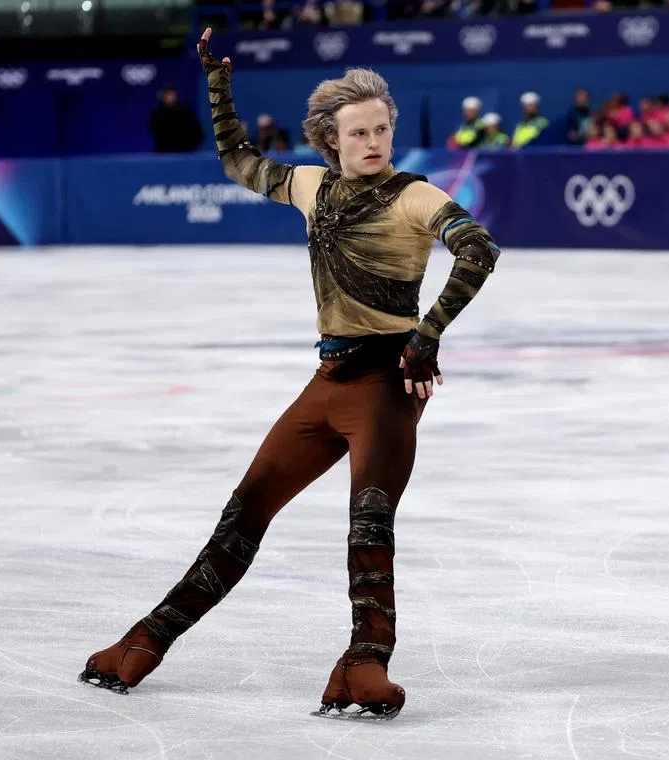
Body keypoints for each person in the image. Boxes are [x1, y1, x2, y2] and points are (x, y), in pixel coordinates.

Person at [78, 27, 501, 722]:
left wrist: (427, 337)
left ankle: (366, 665)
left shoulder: (412, 196)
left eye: (382, 129)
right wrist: (218, 84)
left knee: (370, 524)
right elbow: (239, 160)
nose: (373, 141)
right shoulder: (310, 185)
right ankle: (143, 642)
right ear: (331, 139)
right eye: (359, 131)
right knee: (243, 515)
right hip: (327, 384)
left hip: (388, 388)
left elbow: (478, 248)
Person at [148, 85, 204, 153]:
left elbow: (196, 130)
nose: (170, 97)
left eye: (171, 94)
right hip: (164, 151)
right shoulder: (158, 112)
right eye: (167, 95)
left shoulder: (185, 111)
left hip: (185, 150)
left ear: (176, 95)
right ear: (163, 96)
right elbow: (153, 128)